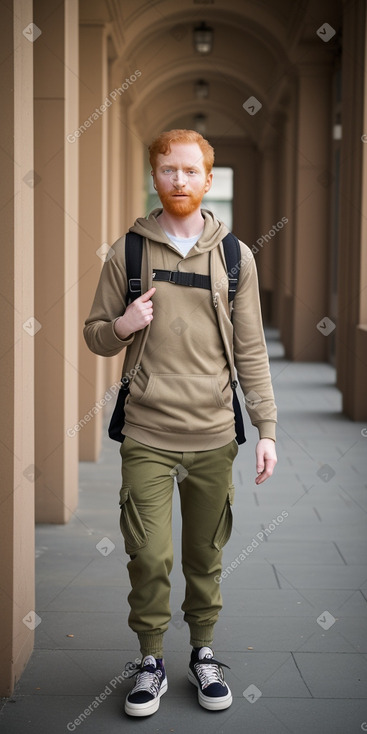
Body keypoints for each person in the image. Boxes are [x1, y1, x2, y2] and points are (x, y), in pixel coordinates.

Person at [83, 129, 277, 717]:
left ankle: (203, 652)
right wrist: (121, 325)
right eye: (168, 170)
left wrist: (266, 429)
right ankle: (149, 660)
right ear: (154, 175)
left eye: (191, 171)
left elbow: (252, 351)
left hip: (216, 433)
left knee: (205, 554)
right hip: (147, 432)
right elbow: (93, 333)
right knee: (147, 554)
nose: (180, 180)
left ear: (208, 179)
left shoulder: (236, 257)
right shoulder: (129, 252)